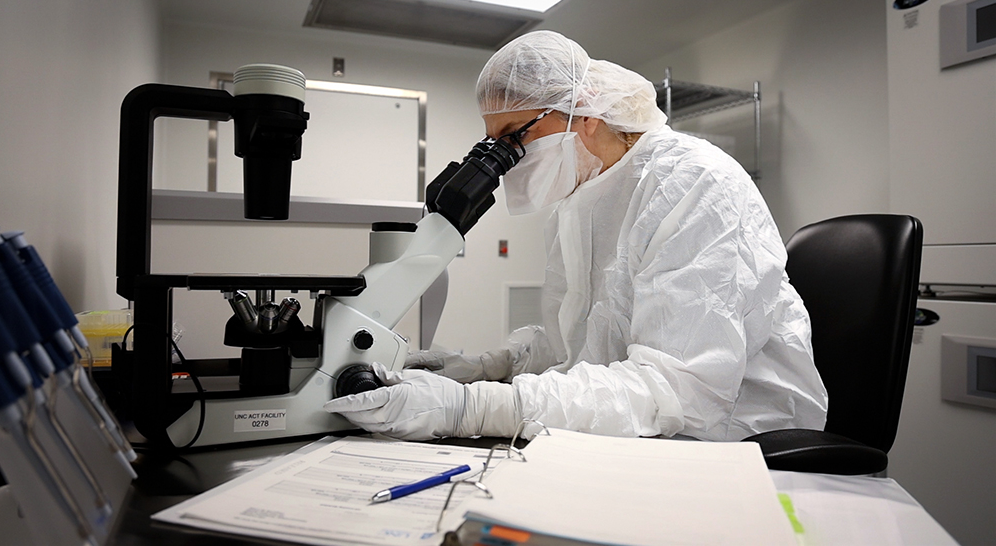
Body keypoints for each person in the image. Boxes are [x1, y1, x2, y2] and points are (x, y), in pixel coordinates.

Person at [324, 30, 828, 442]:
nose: (504, 158)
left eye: (513, 136)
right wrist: (483, 368)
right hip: (640, 437)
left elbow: (679, 392)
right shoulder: (582, 199)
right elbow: (575, 346)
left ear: (583, 114)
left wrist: (472, 409)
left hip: (737, 445)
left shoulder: (694, 184)